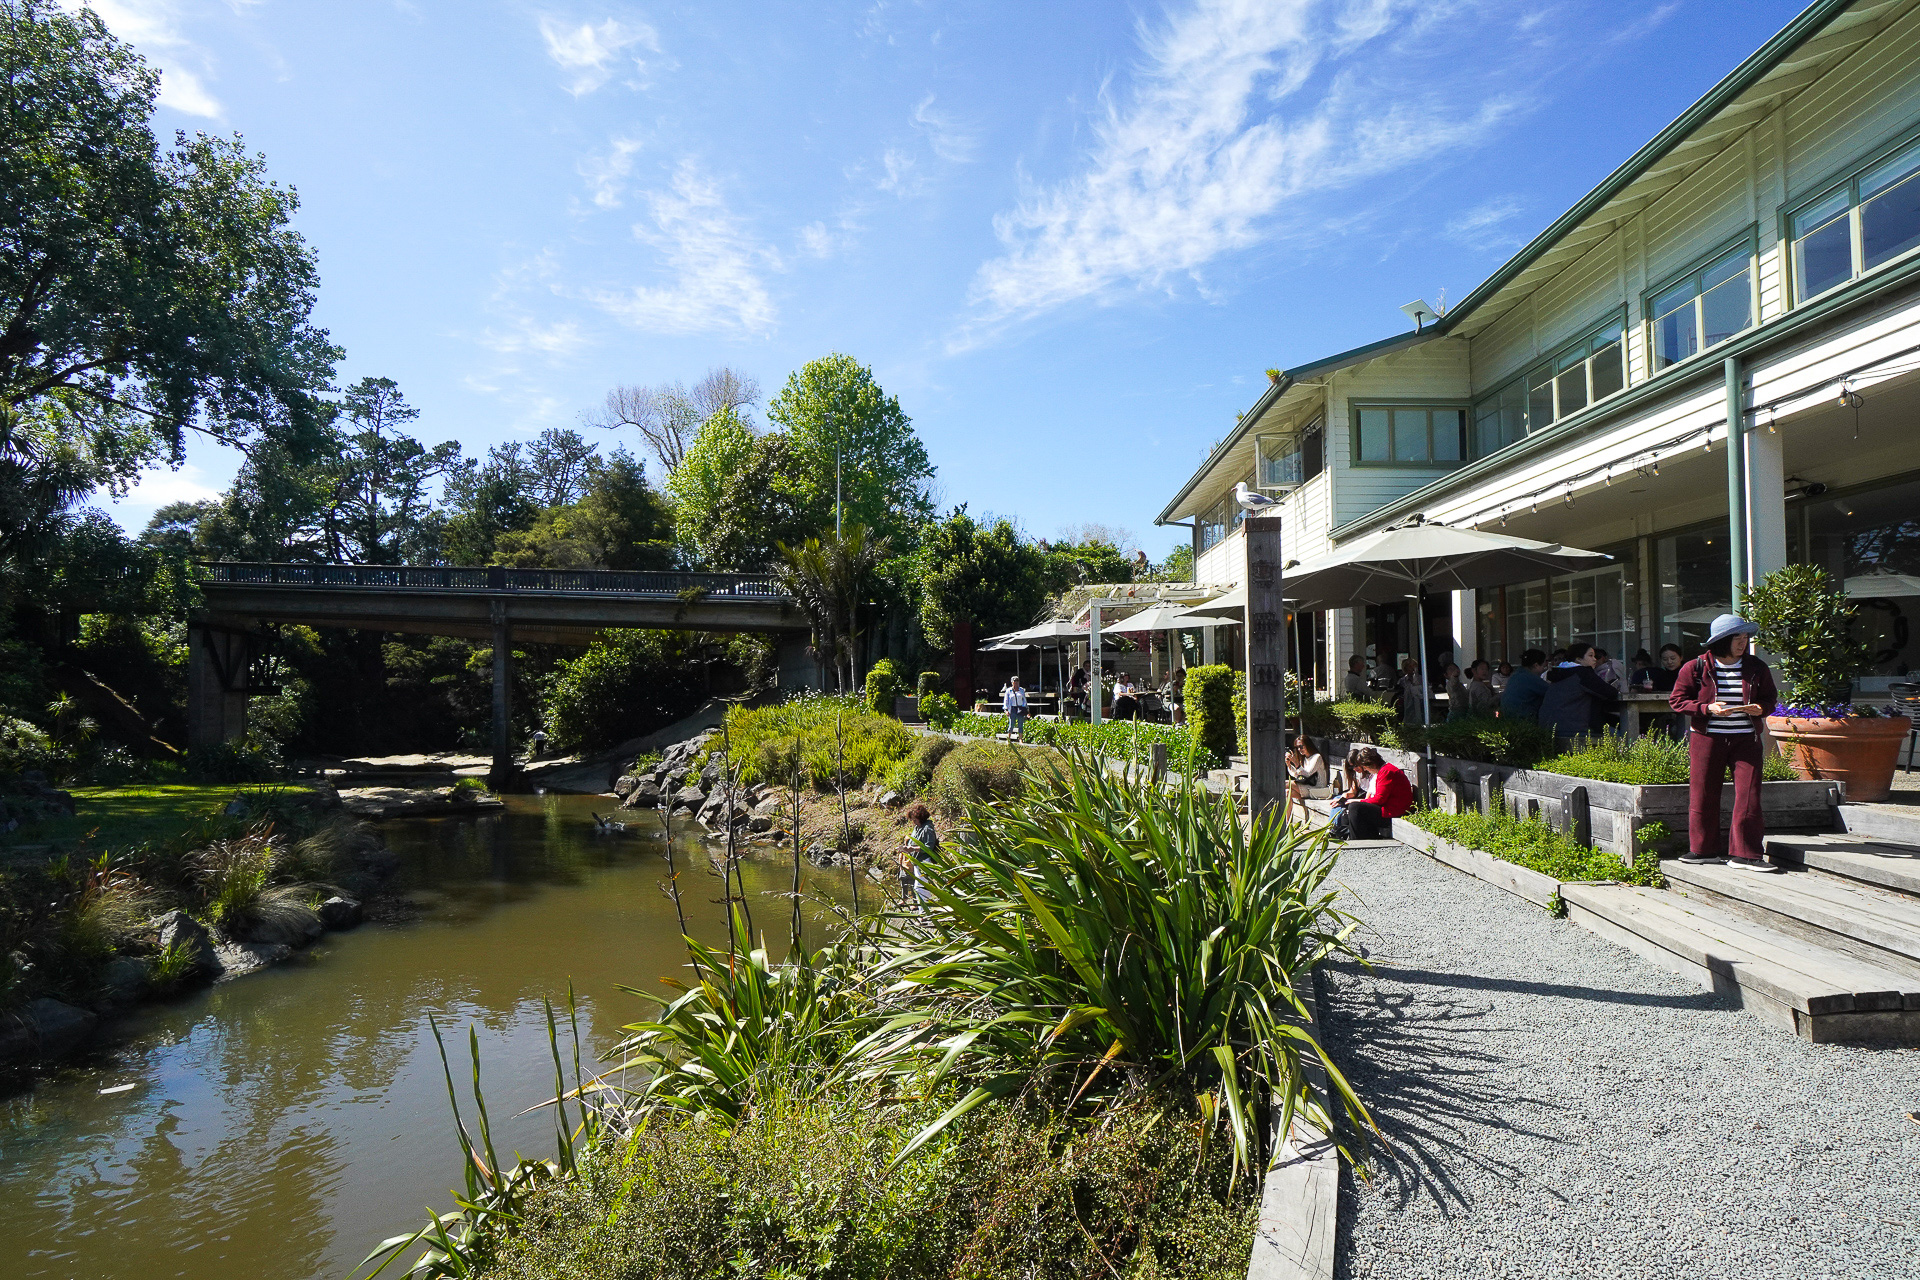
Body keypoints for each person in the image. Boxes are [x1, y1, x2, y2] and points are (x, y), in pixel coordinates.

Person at [1669, 614, 1780, 871]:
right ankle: (1702, 850)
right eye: (1737, 638)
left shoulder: (1757, 667)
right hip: (1707, 740)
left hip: (1746, 740)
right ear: (1721, 641)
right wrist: (1707, 708)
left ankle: (1747, 854)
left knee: (1750, 795)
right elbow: (1677, 701)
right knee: (1703, 794)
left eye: (1745, 638)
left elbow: (1770, 699)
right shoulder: (1695, 667)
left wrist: (1760, 708)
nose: (1743, 643)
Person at [1539, 642, 1621, 740]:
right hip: (1574, 729)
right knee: (1622, 735)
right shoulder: (1583, 673)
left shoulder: (1559, 673)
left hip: (1549, 728)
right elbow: (1611, 693)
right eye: (1590, 656)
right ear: (1578, 659)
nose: (1594, 659)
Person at [1329, 746, 1412, 840]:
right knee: (1350, 809)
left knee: (1355, 807)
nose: (1365, 770)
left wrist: (1358, 801)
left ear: (1370, 765)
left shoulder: (1387, 772)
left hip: (1393, 811)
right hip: (1387, 808)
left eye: (1365, 767)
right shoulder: (1384, 771)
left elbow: (1379, 799)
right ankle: (1353, 837)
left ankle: (1356, 840)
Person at [900, 803, 940, 906]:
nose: (913, 822)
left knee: (921, 887)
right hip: (917, 861)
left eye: (914, 820)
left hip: (925, 861)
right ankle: (925, 912)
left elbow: (928, 847)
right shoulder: (918, 827)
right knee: (920, 886)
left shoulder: (927, 828)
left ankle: (924, 914)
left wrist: (912, 848)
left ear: (920, 818)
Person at [1501, 650, 1549, 721]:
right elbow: (1552, 692)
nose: (1544, 669)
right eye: (1544, 666)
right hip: (1524, 720)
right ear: (1536, 665)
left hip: (1508, 719)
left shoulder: (1516, 675)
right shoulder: (1531, 679)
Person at [1286, 734, 1327, 802]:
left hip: (1318, 789)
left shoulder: (1317, 757)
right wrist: (1289, 765)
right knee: (1287, 792)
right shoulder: (1304, 758)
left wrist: (1296, 764)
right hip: (1307, 787)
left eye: (1301, 746)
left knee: (1285, 784)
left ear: (1308, 745)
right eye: (1297, 747)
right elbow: (1297, 775)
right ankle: (1286, 813)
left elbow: (1307, 774)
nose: (1299, 749)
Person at [1397, 658, 1424, 725]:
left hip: (1420, 704)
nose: (1413, 669)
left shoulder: (1421, 678)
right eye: (1410, 666)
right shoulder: (1402, 681)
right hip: (1408, 704)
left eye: (1414, 666)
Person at [1003, 674, 1029, 740]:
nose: (1016, 683)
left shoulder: (1021, 690)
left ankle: (1020, 739)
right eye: (1015, 681)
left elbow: (1024, 700)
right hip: (1012, 708)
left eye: (1017, 681)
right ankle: (1008, 738)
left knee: (1020, 724)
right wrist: (1006, 710)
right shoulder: (1009, 691)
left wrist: (1026, 709)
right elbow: (1006, 700)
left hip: (1020, 708)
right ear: (1012, 682)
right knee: (1011, 724)